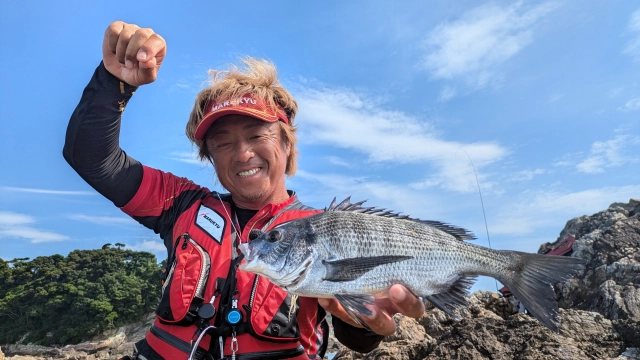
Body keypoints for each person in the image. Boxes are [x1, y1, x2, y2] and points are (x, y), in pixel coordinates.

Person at [64, 21, 425, 360]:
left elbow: (356, 332)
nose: (243, 154)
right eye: (222, 143)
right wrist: (114, 82)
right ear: (210, 157)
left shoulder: (327, 229)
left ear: (287, 146)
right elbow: (92, 158)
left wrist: (362, 322)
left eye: (257, 136)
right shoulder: (180, 205)